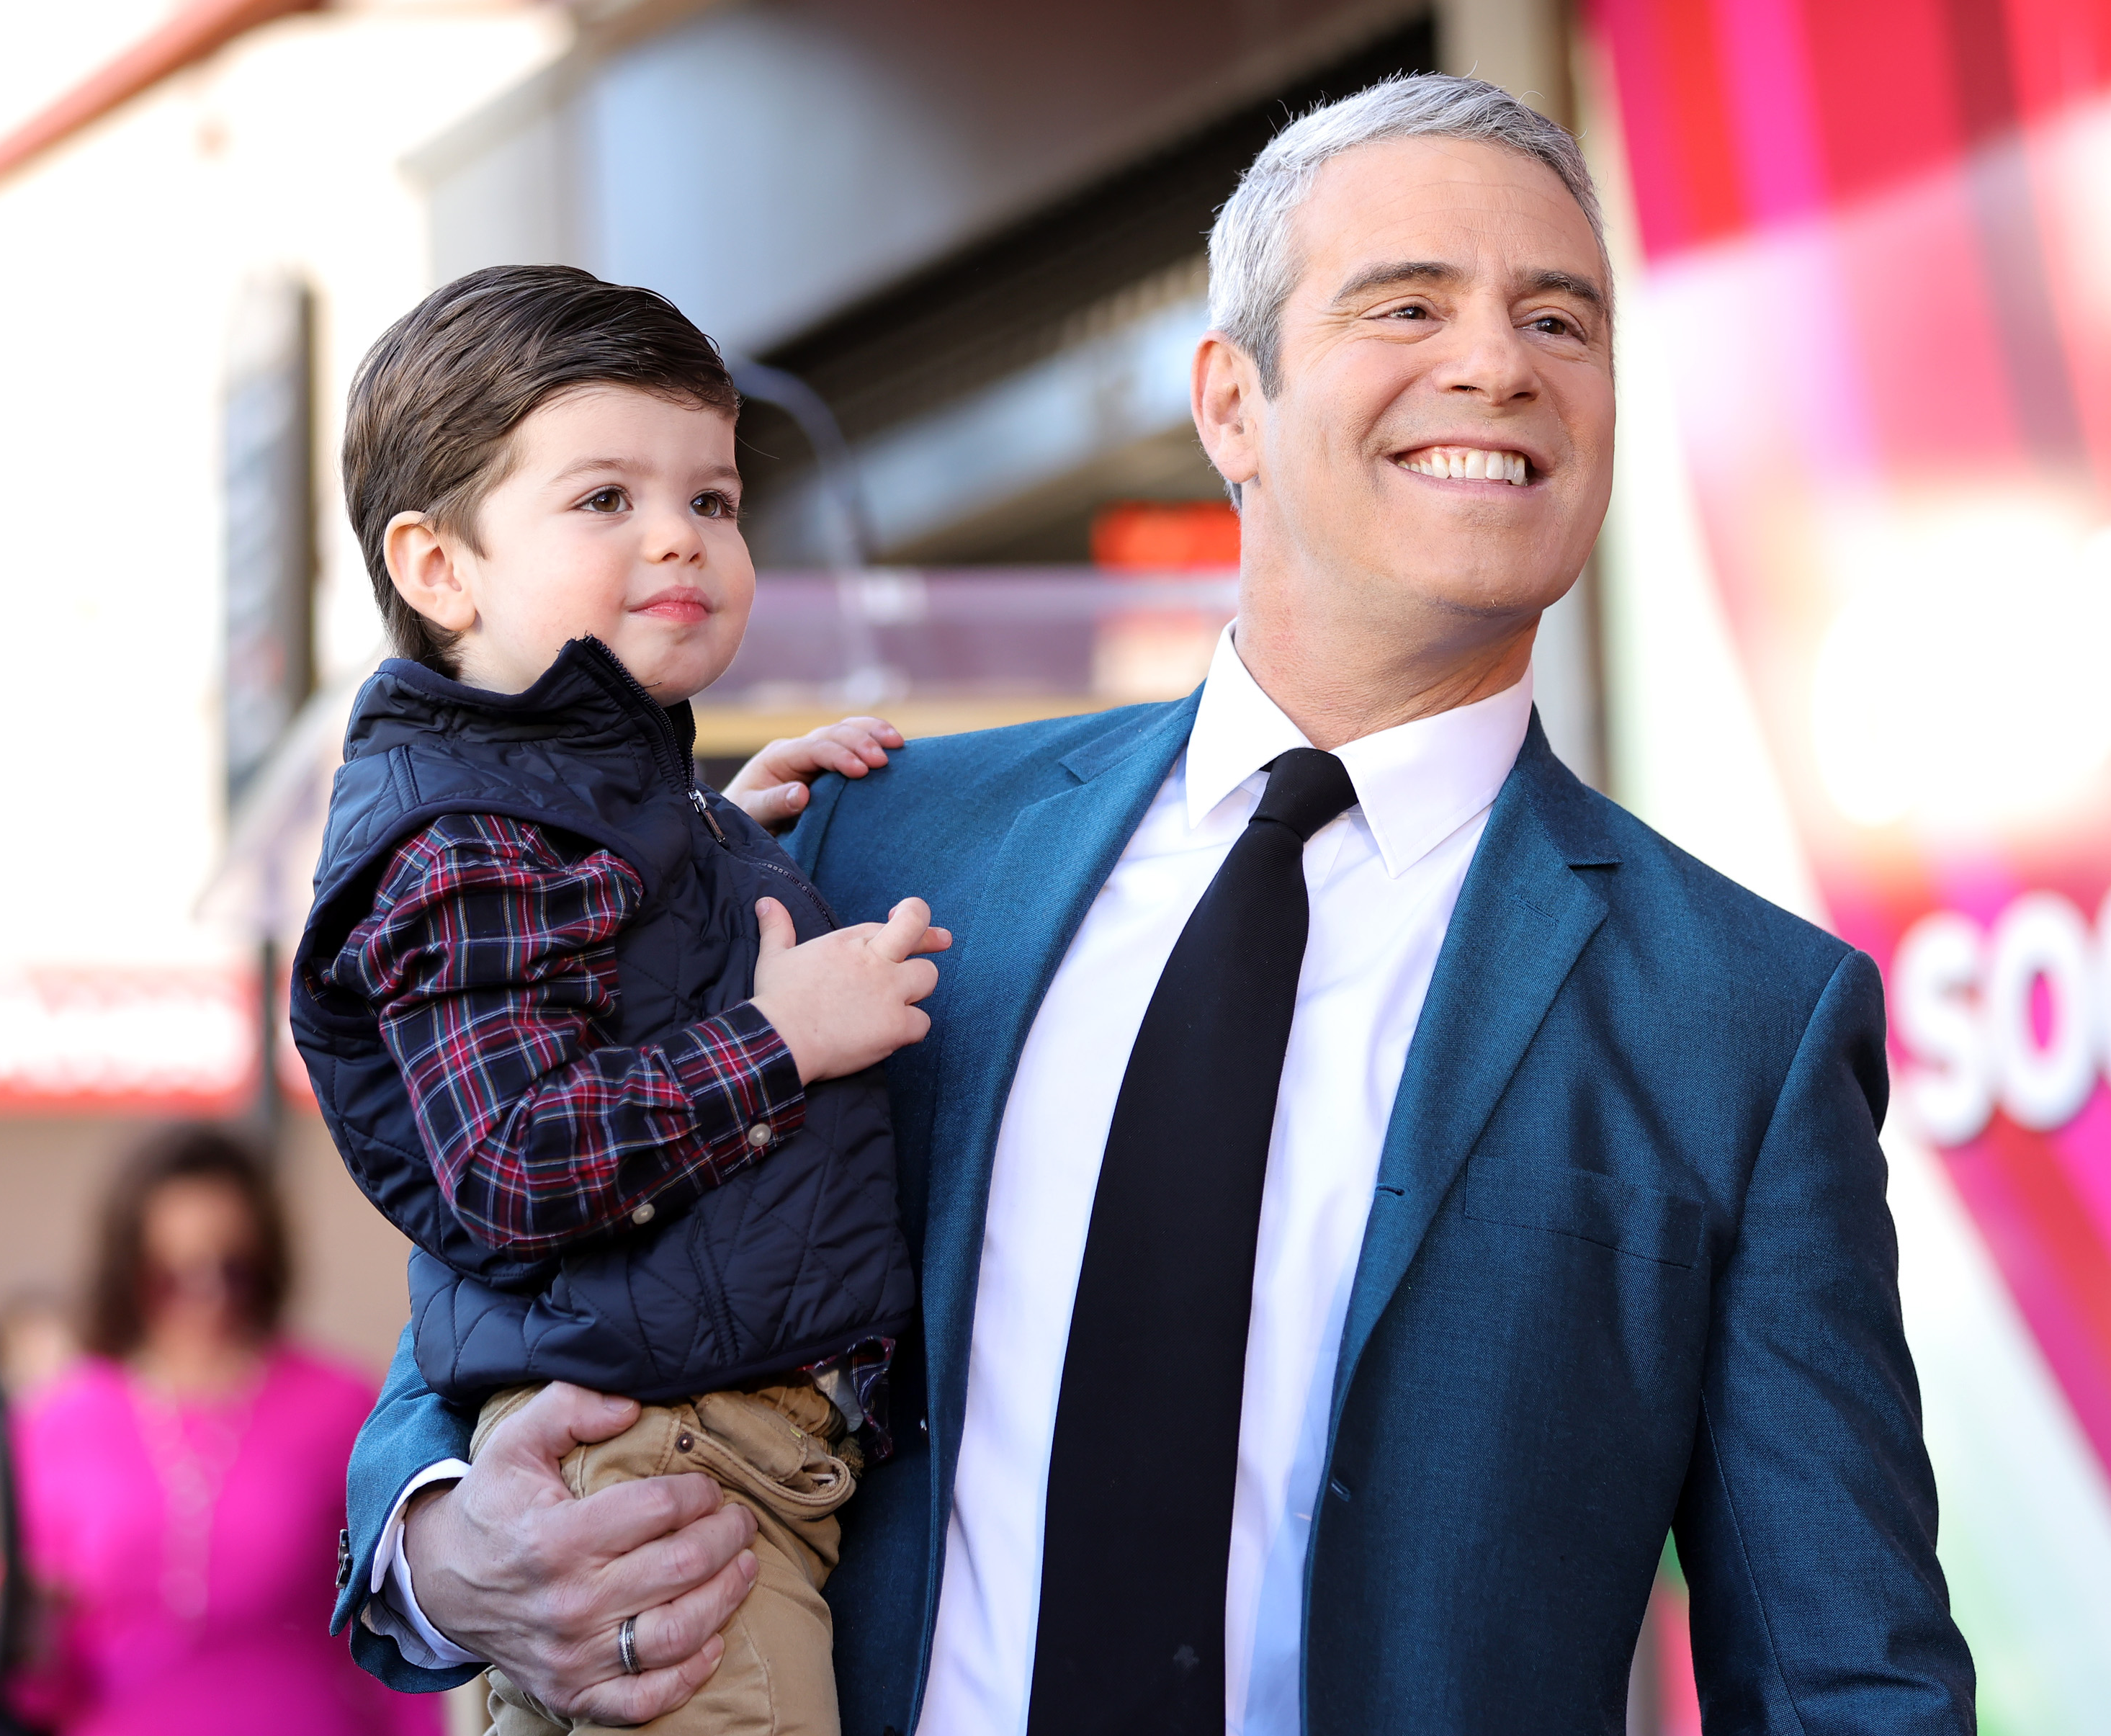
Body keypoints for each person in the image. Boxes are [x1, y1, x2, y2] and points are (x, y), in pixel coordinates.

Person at [339, 73, 1979, 1735]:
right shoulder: (874, 847)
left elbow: (1843, 1673)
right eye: (1406, 302)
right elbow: (531, 1221)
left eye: (1560, 318)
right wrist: (439, 1541)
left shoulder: (1738, 1020)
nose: (1497, 362)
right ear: (1229, 404)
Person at [290, 267, 944, 1735]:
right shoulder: (465, 839)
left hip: (690, 1456)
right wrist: (778, 1037)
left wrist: (729, 829)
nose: (681, 535)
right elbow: (518, 1157)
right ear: (438, 567)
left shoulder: (583, 801)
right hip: (661, 1480)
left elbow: (601, 961)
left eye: (712, 499)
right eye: (603, 499)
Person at [7, 1124, 439, 1735]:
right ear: (128, 1270)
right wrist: (22, 1634)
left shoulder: (340, 1406)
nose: (206, 1295)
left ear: (265, 1262)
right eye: (172, 1276)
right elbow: (38, 1685)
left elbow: (401, 1641)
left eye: (230, 1269)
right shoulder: (56, 1421)